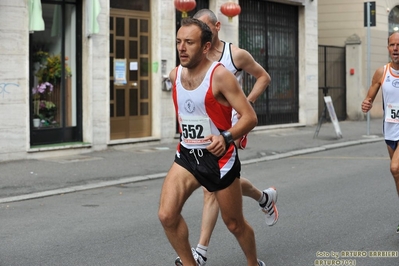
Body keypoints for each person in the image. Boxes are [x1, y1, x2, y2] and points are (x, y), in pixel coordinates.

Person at [158, 17, 266, 266]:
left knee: (234, 224)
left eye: (189, 42)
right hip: (187, 154)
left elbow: (250, 117)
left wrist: (226, 136)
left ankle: (253, 262)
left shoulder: (220, 76)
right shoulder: (175, 75)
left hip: (219, 158)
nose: (181, 48)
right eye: (178, 42)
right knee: (167, 214)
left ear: (206, 47)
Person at [362, 31, 399, 233]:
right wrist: (366, 103)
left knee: (395, 168)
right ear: (388, 48)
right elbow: (370, 96)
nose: (396, 48)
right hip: (390, 131)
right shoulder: (381, 73)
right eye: (393, 45)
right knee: (397, 175)